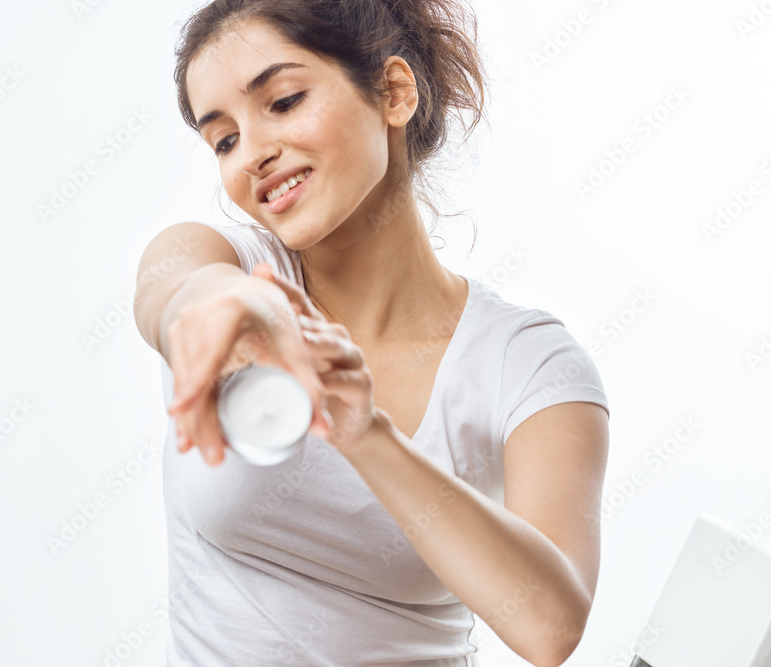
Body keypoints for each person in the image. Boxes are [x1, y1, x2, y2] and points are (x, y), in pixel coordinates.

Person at [132, 0, 610, 665]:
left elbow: (550, 627)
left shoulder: (528, 363)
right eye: (224, 140)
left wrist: (364, 431)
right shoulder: (228, 263)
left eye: (283, 100)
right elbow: (172, 290)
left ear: (393, 91)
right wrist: (232, 302)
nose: (253, 155)